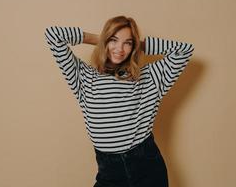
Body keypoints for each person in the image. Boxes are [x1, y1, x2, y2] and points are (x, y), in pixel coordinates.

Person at [44, 15, 194, 187]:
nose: (120, 48)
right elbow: (53, 35)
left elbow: (185, 50)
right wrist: (101, 40)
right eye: (114, 40)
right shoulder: (84, 77)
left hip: (146, 168)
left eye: (127, 43)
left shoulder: (149, 77)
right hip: (109, 172)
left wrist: (138, 45)